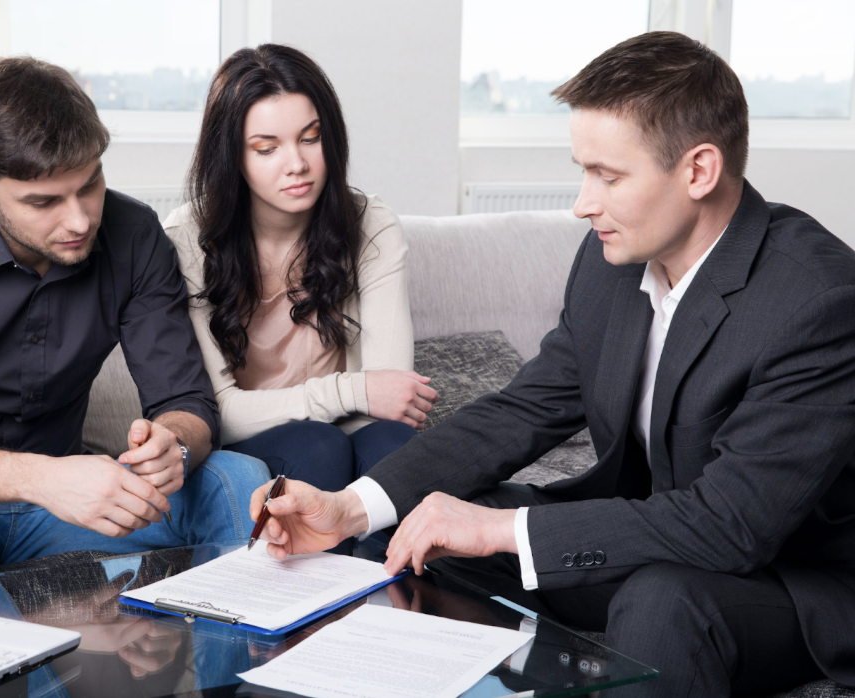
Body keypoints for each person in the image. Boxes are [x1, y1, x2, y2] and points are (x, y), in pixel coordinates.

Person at [247, 32, 855, 696]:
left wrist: (500, 529)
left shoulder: (817, 300)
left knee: (660, 600)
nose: (582, 203)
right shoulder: (610, 259)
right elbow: (522, 411)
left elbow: (729, 526)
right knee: (430, 534)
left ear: (699, 170)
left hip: (797, 581)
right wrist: (349, 508)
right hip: (659, 542)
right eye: (582, 171)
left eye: (609, 176)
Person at [0, 56, 270, 586]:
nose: (79, 220)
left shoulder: (133, 235)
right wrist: (43, 478)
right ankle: (2, 644)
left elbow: (186, 400)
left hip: (64, 511)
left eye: (90, 184)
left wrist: (174, 444)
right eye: (43, 202)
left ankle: (242, 643)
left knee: (237, 478)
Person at [164, 44, 436, 494]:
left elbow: (391, 398)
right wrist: (352, 392)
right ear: (232, 156)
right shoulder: (188, 238)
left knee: (394, 442)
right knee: (317, 445)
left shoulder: (371, 224)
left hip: (344, 436)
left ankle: (382, 548)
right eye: (267, 148)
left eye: (311, 138)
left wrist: (366, 402)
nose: (297, 165)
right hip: (246, 445)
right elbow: (216, 413)